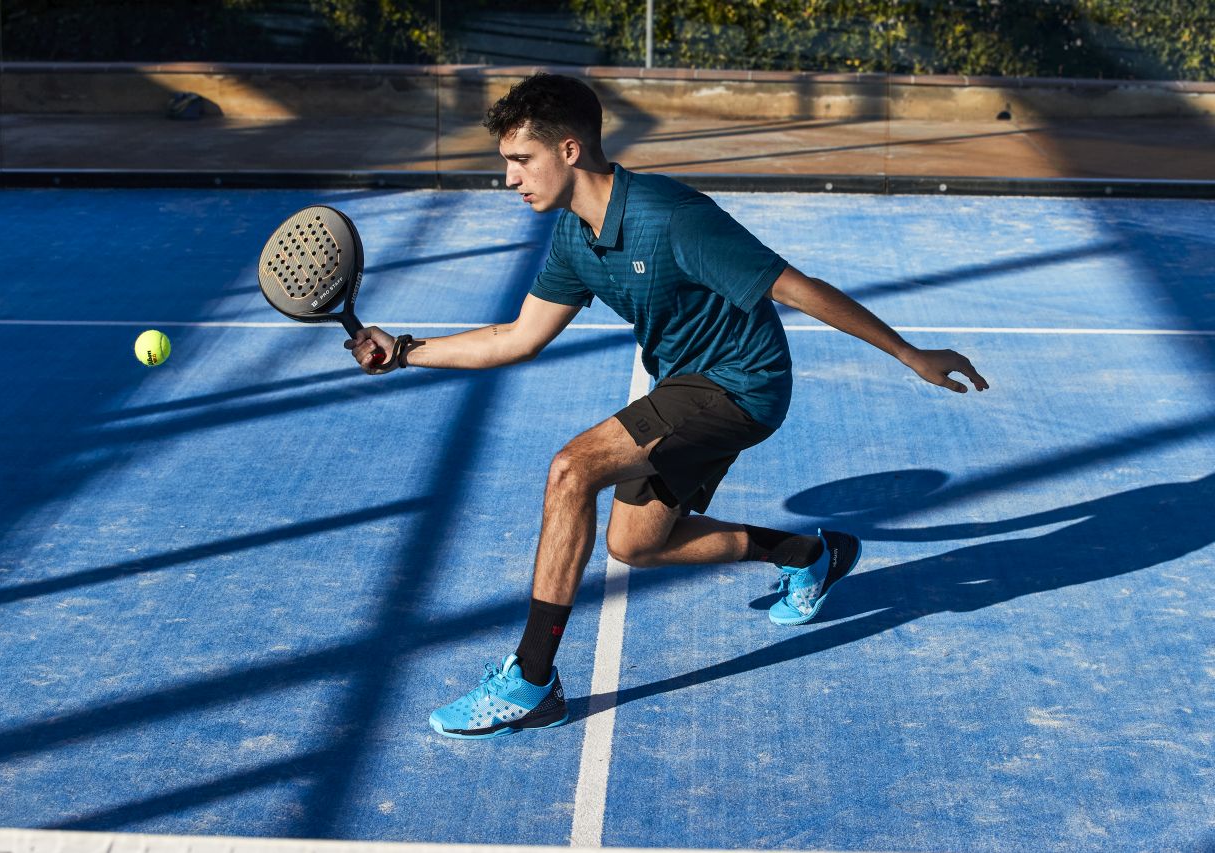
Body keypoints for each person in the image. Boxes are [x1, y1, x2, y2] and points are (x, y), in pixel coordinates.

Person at [345, 73, 988, 740]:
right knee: (634, 543)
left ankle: (532, 680)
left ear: (569, 151)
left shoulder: (670, 216)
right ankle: (811, 553)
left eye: (520, 160)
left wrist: (910, 353)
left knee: (572, 468)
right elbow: (518, 336)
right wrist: (407, 350)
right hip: (685, 385)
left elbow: (798, 287)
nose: (509, 178)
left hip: (744, 382)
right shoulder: (574, 238)